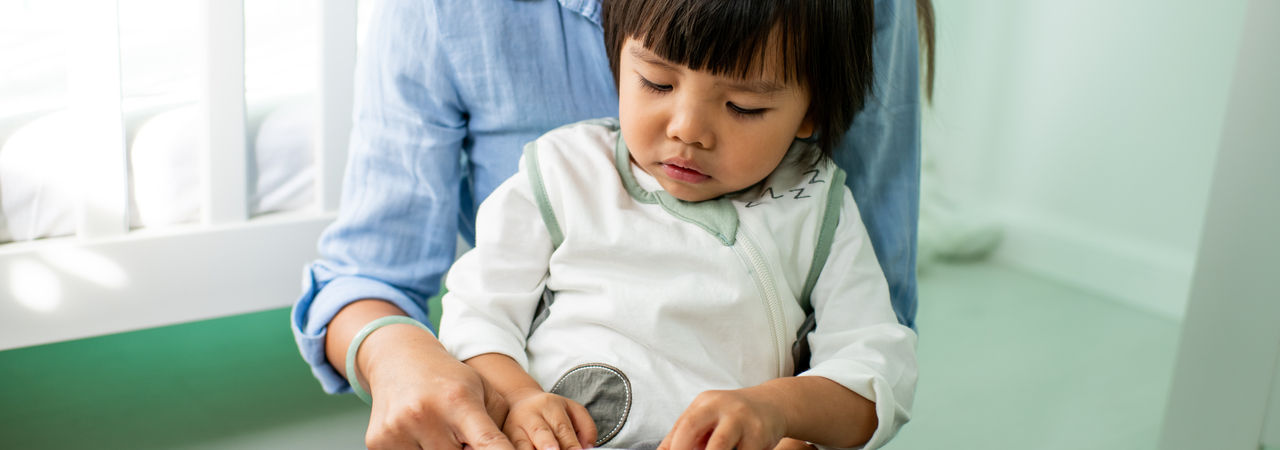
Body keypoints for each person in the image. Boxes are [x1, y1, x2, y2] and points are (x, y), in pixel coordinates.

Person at [290, 0, 931, 448]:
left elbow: (876, 358)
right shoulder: (563, 170)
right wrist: (516, 397)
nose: (686, 130)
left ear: (812, 112)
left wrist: (780, 413)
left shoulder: (818, 205)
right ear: (617, 54)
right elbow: (480, 310)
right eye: (654, 82)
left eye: (743, 105)